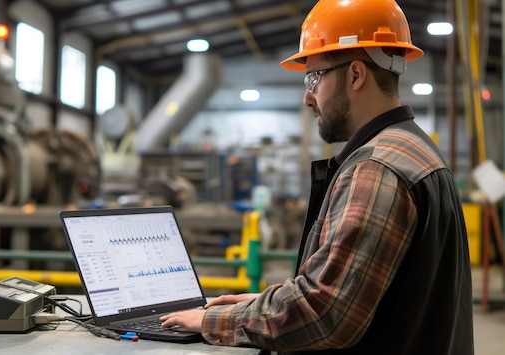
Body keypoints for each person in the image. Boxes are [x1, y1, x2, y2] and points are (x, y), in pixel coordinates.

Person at [160, 0, 474, 353]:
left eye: (314, 78)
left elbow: (324, 314)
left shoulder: (376, 168)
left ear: (356, 74)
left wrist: (211, 321)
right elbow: (356, 290)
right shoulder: (414, 149)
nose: (308, 98)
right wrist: (260, 304)